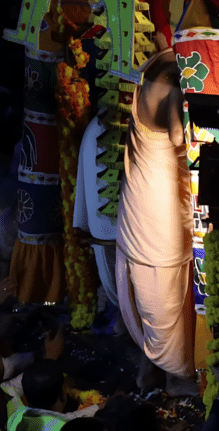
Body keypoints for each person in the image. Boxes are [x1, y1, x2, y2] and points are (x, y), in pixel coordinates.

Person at [115, 47, 196, 394]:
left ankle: (152, 372)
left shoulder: (149, 71)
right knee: (163, 286)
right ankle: (177, 378)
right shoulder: (173, 87)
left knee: (159, 287)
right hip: (157, 208)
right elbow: (180, 137)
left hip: (140, 194)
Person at [73, 113, 123, 335]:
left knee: (121, 295)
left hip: (107, 231)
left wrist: (80, 223)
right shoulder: (100, 126)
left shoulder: (96, 125)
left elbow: (83, 175)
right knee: (122, 295)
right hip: (115, 233)